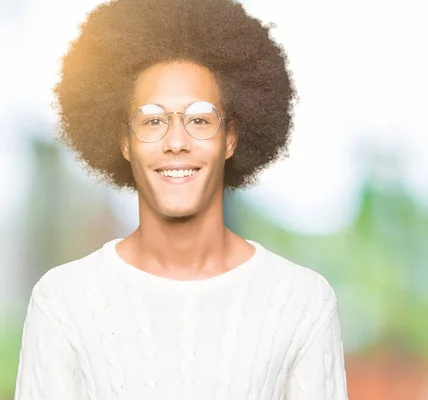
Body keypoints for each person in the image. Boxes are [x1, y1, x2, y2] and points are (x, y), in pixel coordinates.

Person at [14, 0, 348, 398]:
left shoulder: (302, 303)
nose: (176, 142)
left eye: (199, 120)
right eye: (153, 120)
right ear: (124, 142)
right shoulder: (63, 302)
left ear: (231, 138)